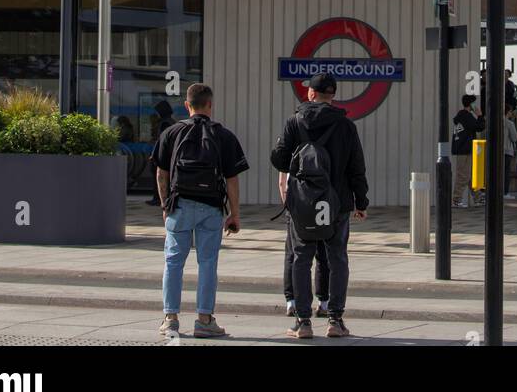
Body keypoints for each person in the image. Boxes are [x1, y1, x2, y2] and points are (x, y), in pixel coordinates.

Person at [271, 72, 369, 340]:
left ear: (310, 94)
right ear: (333, 96)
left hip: (303, 204)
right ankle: (335, 320)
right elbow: (356, 168)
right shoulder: (347, 126)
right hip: (337, 203)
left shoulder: (295, 122)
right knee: (337, 258)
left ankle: (303, 322)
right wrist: (361, 202)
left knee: (302, 258)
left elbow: (278, 160)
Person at [153, 83, 249, 339]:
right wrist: (235, 214)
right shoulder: (224, 135)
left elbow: (161, 173)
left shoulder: (172, 133)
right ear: (210, 105)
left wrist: (165, 205)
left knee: (173, 262)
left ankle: (170, 319)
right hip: (211, 207)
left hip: (180, 205)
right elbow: (232, 179)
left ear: (187, 105)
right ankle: (205, 320)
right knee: (207, 263)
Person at [279, 169, 330, 318]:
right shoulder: (324, 144)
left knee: (293, 254)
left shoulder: (290, 145)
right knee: (322, 253)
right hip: (321, 203)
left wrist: (287, 204)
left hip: (297, 202)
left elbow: (282, 181)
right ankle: (323, 302)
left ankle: (292, 301)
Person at [452, 94, 479, 208]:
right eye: (474, 103)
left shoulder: (462, 116)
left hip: (465, 148)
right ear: (470, 104)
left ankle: (478, 198)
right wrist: (480, 115)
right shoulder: (466, 116)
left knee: (472, 174)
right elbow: (479, 126)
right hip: (464, 149)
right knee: (463, 175)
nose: (475, 105)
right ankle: (456, 199)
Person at [147, 99, 176, 204]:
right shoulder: (170, 121)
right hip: (167, 155)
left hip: (162, 154)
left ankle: (158, 198)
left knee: (158, 176)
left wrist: (155, 154)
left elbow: (161, 140)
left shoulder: (165, 123)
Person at [504, 106, 517, 200]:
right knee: (506, 172)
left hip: (496, 151)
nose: (511, 113)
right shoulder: (509, 123)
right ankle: (505, 192)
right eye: (510, 112)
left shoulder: (494, 121)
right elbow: (514, 137)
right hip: (507, 150)